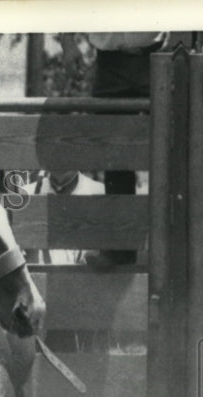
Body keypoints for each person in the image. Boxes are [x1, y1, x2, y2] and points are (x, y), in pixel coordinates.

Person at [61, 32, 166, 267]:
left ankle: (174, 251)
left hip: (159, 54)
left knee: (170, 149)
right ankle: (120, 251)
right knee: (114, 156)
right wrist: (67, 40)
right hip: (109, 62)